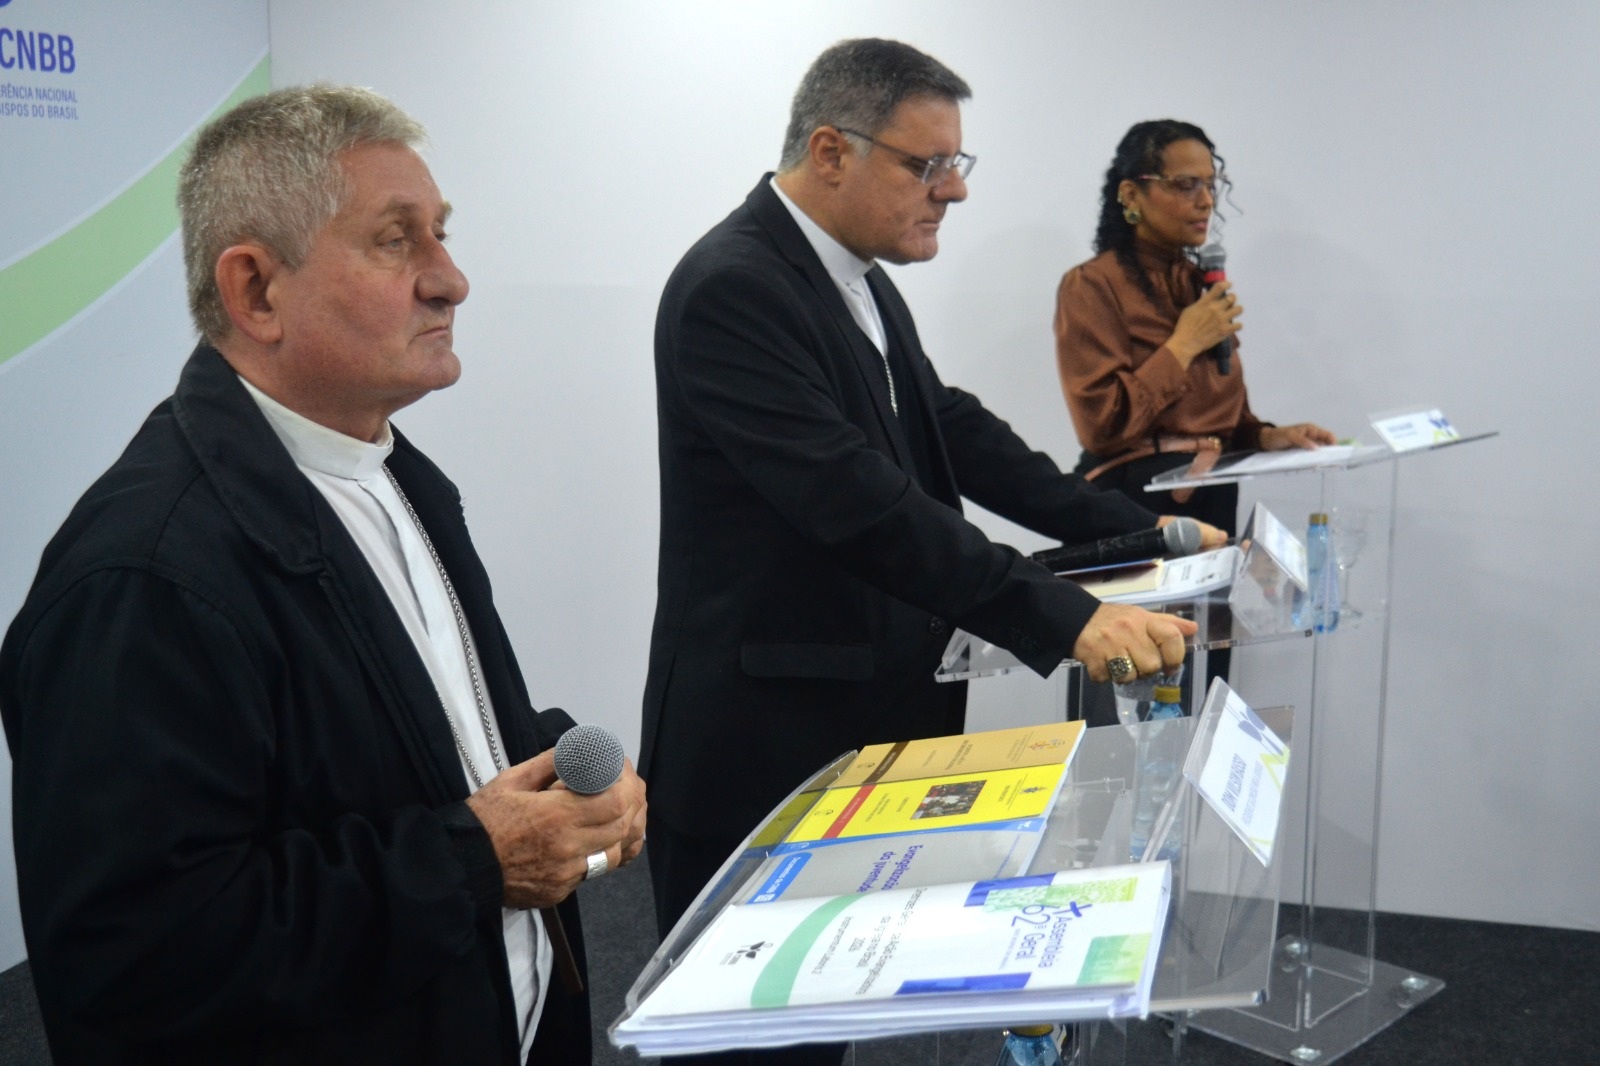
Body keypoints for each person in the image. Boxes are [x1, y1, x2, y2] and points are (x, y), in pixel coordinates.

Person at [0, 86, 645, 1066]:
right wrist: (473, 858)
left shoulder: (393, 475)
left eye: (440, 234)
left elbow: (400, 736)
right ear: (256, 290)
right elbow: (139, 954)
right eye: (396, 240)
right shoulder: (141, 577)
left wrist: (551, 766)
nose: (452, 279)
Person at [640, 42, 1222, 1063]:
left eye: (959, 163)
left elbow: (947, 428)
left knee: (825, 1028)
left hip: (859, 719)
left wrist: (1128, 530)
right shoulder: (734, 288)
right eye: (928, 165)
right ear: (832, 151)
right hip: (766, 746)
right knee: (758, 1046)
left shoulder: (852, 276)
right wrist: (1068, 617)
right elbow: (859, 503)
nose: (954, 189)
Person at [1054, 119, 1336, 534]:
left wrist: (1264, 437)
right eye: (1186, 185)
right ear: (1131, 194)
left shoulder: (1198, 283)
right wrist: (1183, 344)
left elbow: (1220, 414)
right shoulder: (1092, 285)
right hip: (1133, 505)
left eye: (1210, 185)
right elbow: (1101, 428)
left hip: (1211, 492)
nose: (1205, 202)